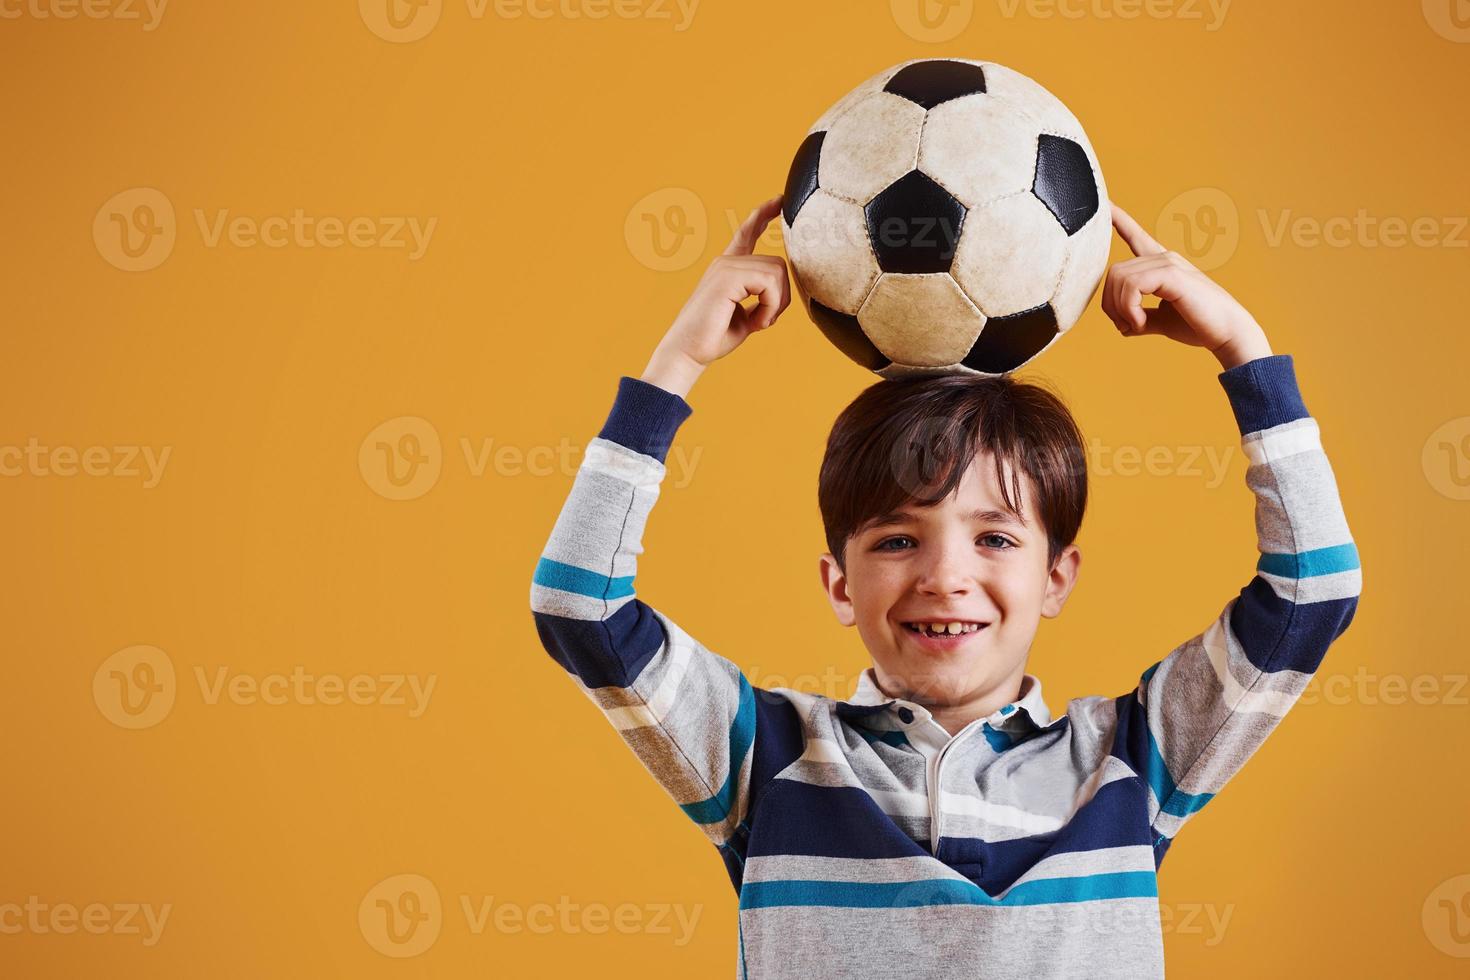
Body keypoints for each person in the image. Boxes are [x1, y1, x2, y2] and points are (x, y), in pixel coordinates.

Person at [528, 194, 1361, 978]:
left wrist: (1241, 349)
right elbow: (580, 608)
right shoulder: (768, 764)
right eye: (896, 539)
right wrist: (677, 363)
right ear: (839, 585)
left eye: (995, 537)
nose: (944, 577)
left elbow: (1311, 595)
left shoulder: (1131, 765)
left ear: (1056, 578)